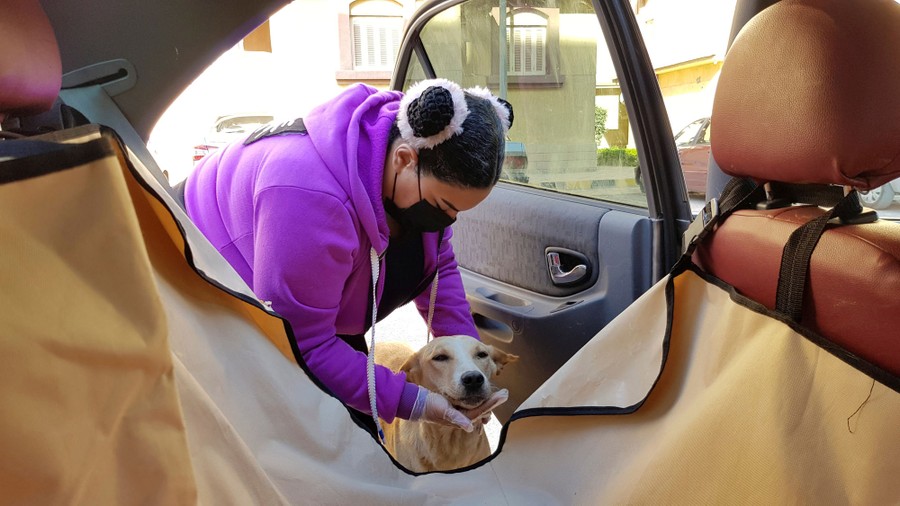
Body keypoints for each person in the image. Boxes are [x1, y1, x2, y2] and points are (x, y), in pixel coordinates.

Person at [179, 78, 513, 435]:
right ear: (404, 159)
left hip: (309, 316)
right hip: (208, 288)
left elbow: (439, 268)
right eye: (443, 206)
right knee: (303, 442)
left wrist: (467, 361)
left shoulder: (423, 152)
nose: (447, 221)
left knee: (358, 433)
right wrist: (413, 402)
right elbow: (303, 344)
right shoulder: (306, 198)